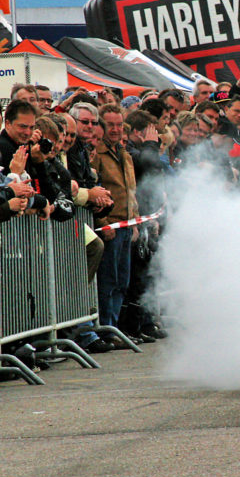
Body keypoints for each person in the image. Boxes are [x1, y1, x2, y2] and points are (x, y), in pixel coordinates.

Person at [89, 103, 139, 333]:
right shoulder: (96, 153)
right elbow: (94, 189)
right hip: (110, 226)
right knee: (108, 282)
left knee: (122, 282)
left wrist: (135, 219)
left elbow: (130, 190)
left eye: (119, 125)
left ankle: (115, 327)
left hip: (126, 225)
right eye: (110, 125)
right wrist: (102, 223)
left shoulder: (124, 153)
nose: (116, 129)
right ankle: (107, 327)